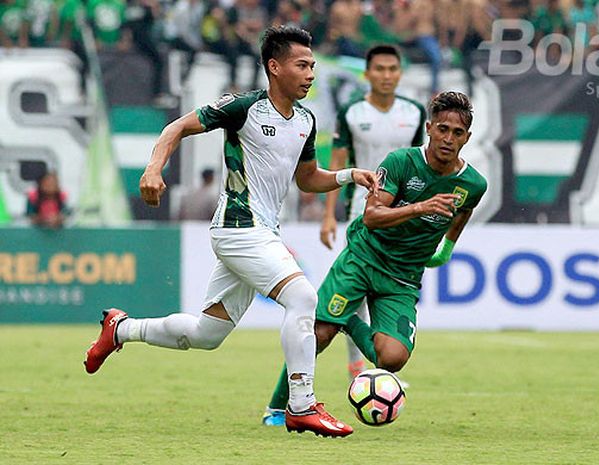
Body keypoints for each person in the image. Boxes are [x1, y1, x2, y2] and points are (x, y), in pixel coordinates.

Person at [83, 25, 378, 438]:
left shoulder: (306, 121)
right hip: (239, 227)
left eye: (312, 65)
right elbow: (176, 128)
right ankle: (301, 405)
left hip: (262, 232)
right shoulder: (243, 108)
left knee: (207, 334)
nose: (311, 73)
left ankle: (122, 328)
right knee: (303, 296)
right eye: (302, 65)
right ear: (274, 68)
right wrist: (153, 169)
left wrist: (349, 175)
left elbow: (308, 178)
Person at [263, 91, 487, 426]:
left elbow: (463, 212)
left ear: (467, 138)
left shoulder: (474, 183)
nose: (448, 138)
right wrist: (420, 207)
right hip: (363, 257)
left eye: (457, 133)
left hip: (403, 276)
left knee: (393, 358)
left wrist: (447, 247)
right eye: (442, 129)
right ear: (429, 128)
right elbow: (372, 215)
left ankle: (349, 321)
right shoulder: (399, 162)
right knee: (319, 334)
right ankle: (278, 409)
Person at [307, 43, 424, 419]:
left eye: (393, 69)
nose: (386, 75)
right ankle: (361, 370)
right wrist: (329, 216)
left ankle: (366, 368)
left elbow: (422, 163)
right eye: (380, 69)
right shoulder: (352, 112)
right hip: (363, 213)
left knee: (379, 299)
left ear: (400, 73)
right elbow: (336, 164)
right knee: (353, 296)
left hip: (400, 220)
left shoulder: (414, 113)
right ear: (368, 73)